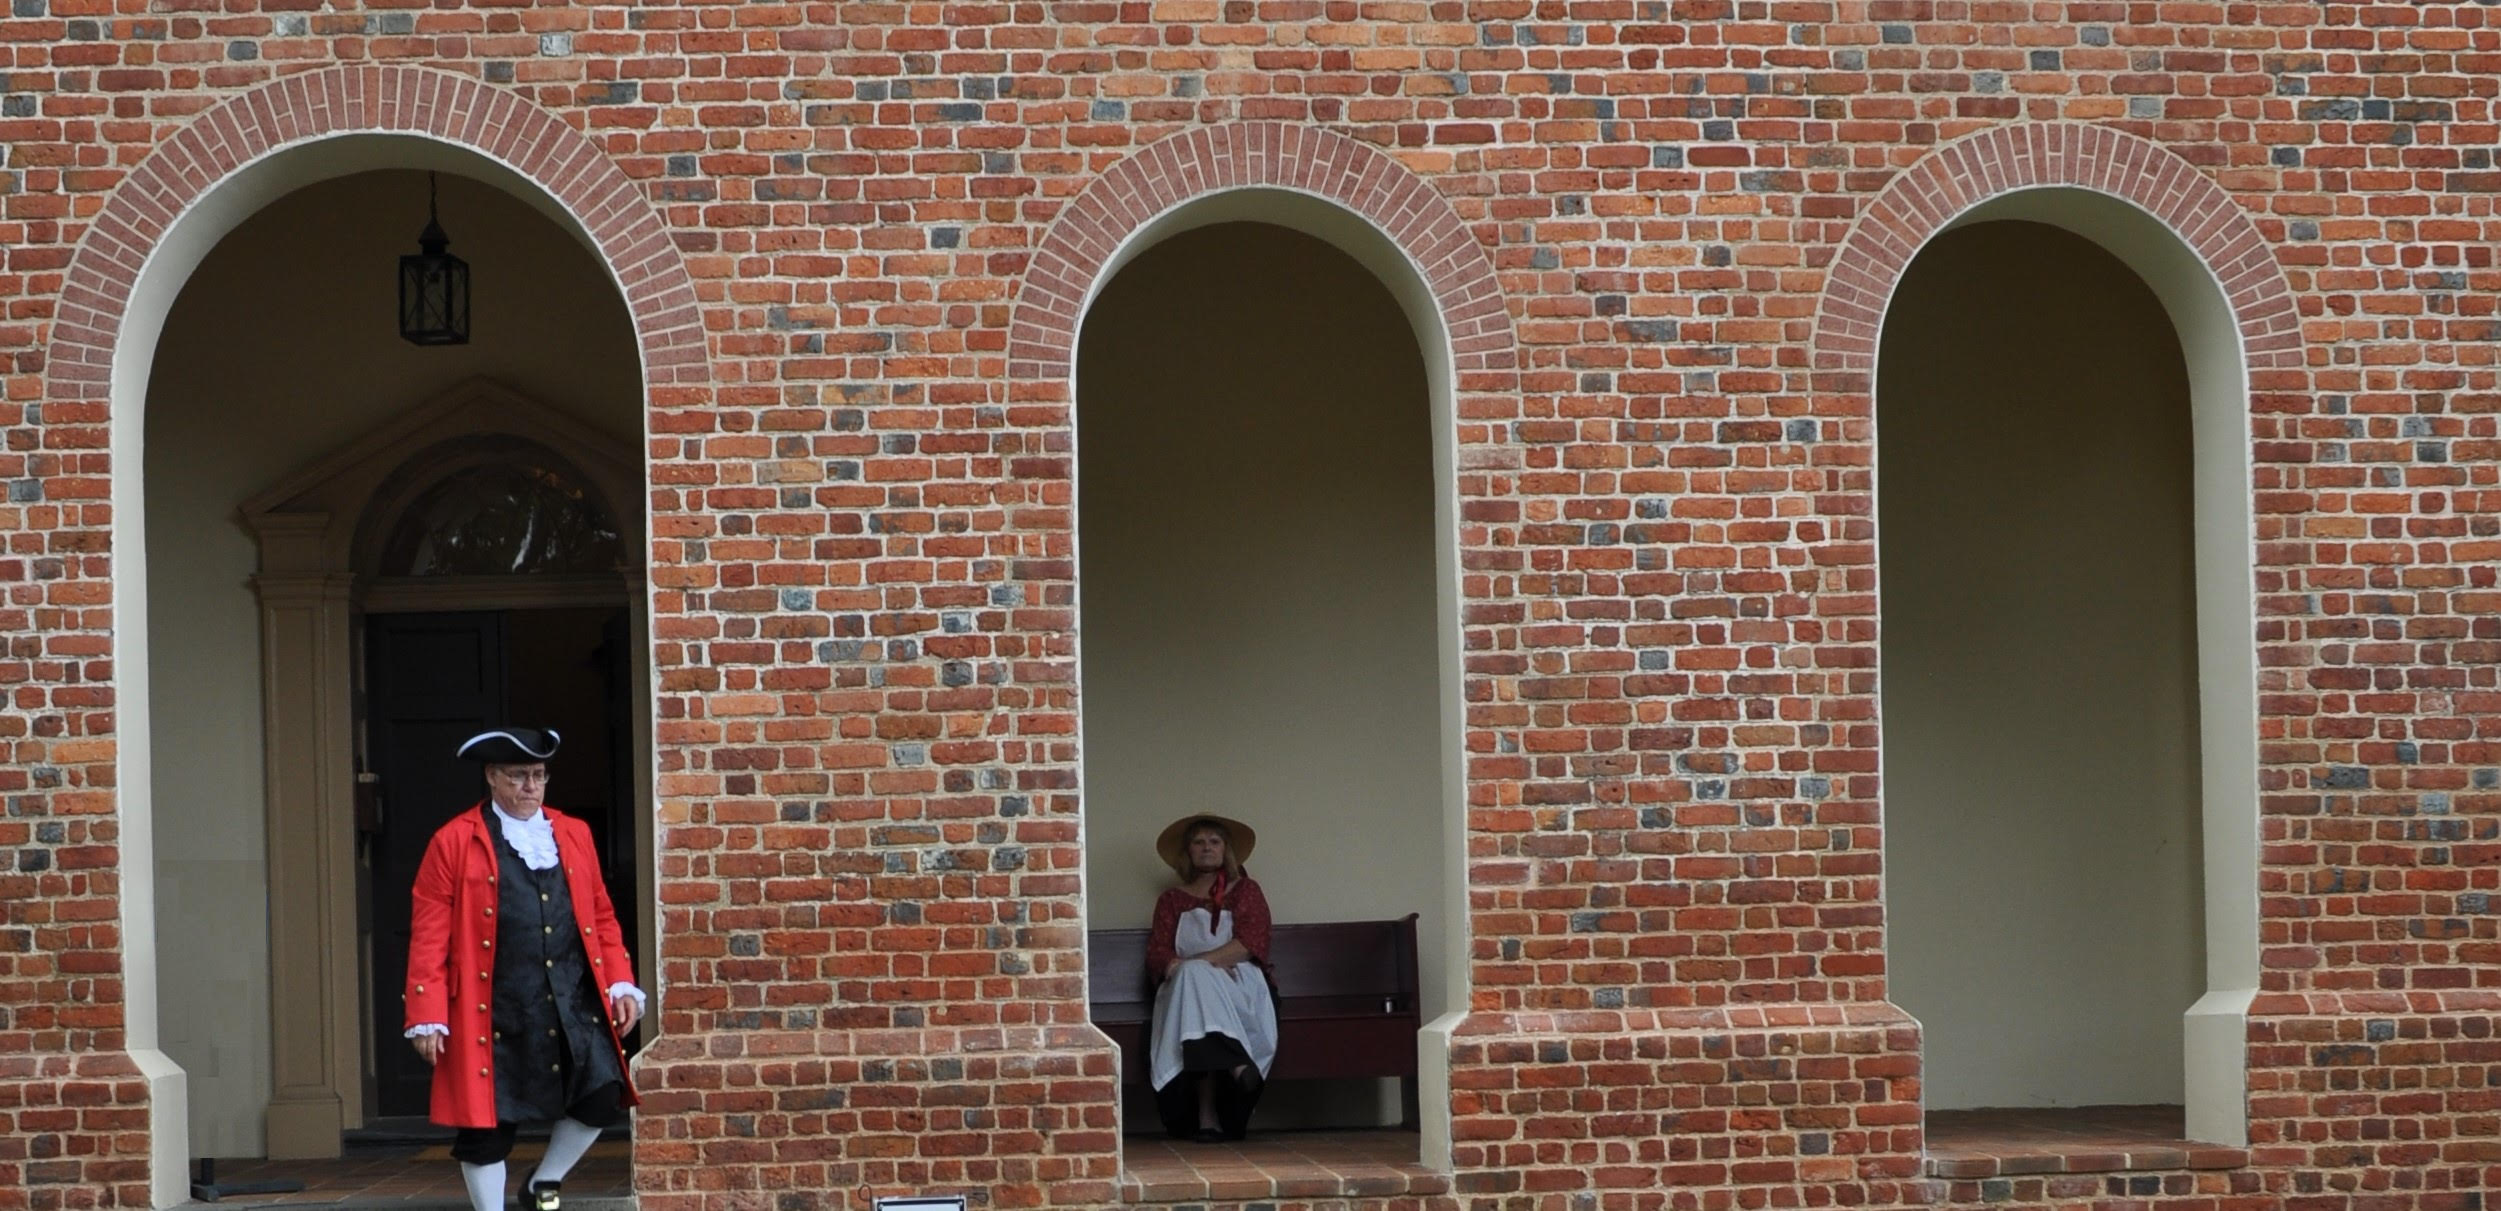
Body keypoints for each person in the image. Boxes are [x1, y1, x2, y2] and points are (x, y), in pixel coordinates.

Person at [404, 726, 645, 1211]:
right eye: (518, 776)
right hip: (489, 1008)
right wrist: (426, 1013)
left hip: (568, 1001)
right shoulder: (452, 841)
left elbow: (600, 913)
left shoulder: (572, 833)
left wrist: (621, 979)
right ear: (492, 777)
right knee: (486, 1128)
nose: (530, 787)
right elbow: (429, 934)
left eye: (538, 775)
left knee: (602, 1096)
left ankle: (543, 1183)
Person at [1145, 813, 1276, 1142]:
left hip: (1238, 984)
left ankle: (1208, 1117)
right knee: (1194, 986)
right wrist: (1187, 968)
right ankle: (1237, 1066)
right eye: (1198, 842)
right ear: (1188, 851)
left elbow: (1250, 943)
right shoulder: (1172, 900)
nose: (1207, 848)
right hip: (1183, 988)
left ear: (1225, 850)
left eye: (1214, 842)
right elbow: (1158, 953)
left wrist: (1197, 964)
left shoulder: (1245, 890)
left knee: (1196, 985)